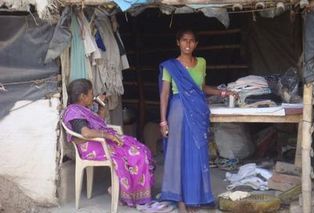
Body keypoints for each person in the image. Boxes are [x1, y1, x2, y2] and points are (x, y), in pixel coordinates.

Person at [159, 29, 237, 212]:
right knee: (179, 155)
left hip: (198, 112)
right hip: (178, 112)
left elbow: (201, 88)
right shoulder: (171, 66)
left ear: (196, 44)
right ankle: (181, 200)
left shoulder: (201, 63)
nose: (188, 44)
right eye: (184, 40)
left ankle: (194, 197)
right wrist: (163, 121)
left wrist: (223, 92)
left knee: (197, 154)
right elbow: (164, 94)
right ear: (178, 42)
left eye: (191, 41)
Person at [63, 79, 154, 207]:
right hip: (92, 148)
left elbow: (97, 125)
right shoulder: (74, 112)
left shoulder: (82, 109)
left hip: (99, 143)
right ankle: (130, 193)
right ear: (83, 97)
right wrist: (107, 135)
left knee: (140, 148)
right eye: (90, 93)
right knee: (137, 154)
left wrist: (101, 107)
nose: (92, 96)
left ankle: (130, 191)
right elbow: (86, 133)